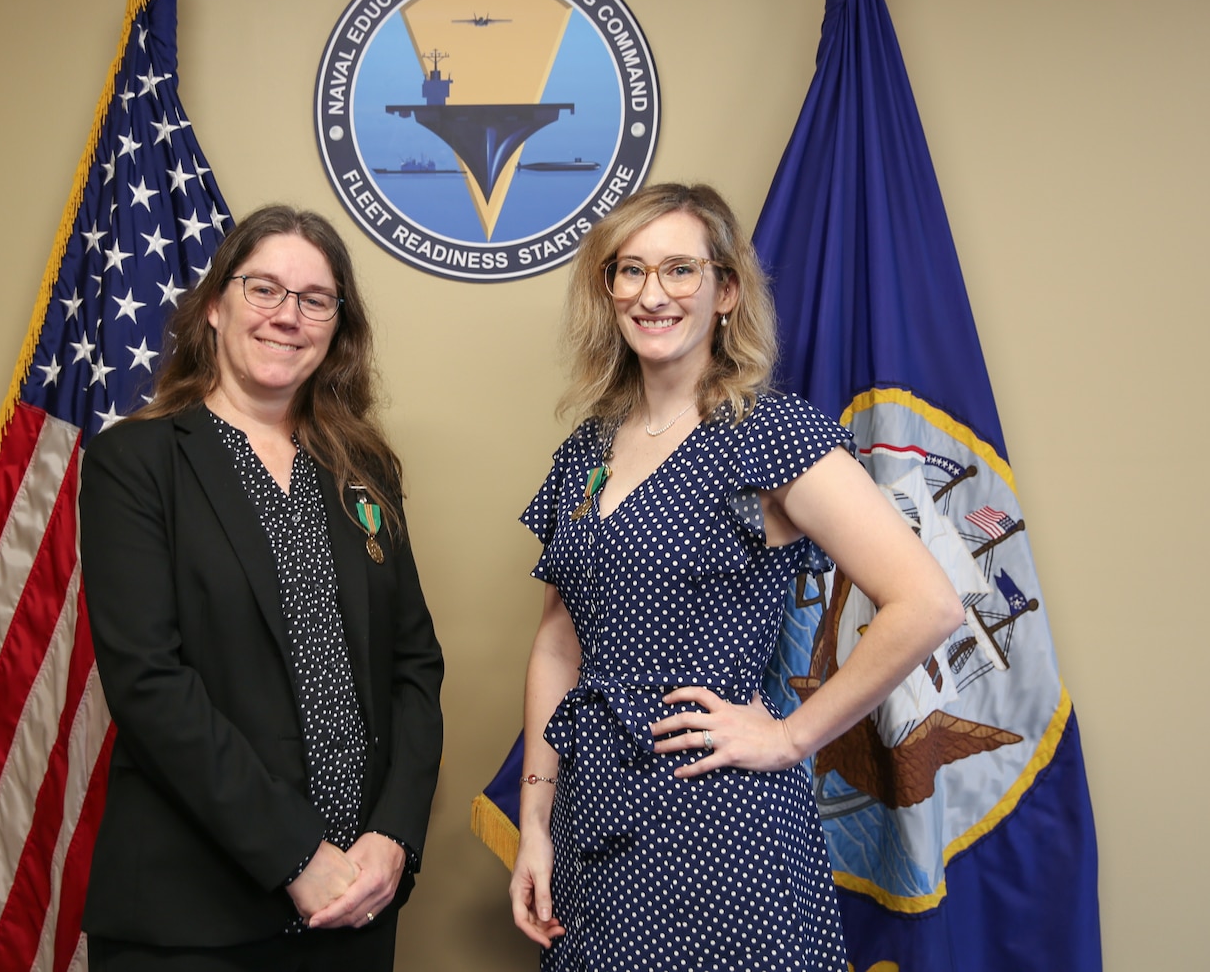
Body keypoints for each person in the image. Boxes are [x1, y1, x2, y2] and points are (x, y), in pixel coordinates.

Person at [508, 183, 963, 970]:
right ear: (607, 288)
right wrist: (537, 821)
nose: (653, 294)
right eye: (630, 271)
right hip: (597, 817)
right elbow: (558, 643)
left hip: (720, 817)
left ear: (726, 290)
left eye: (681, 270)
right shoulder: (585, 450)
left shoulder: (770, 435)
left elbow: (929, 602)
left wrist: (791, 736)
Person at [79, 205, 445, 971]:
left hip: (356, 904)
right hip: (193, 922)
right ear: (214, 305)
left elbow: (415, 666)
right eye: (264, 289)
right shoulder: (137, 462)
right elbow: (148, 682)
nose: (288, 316)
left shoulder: (362, 469)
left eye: (315, 299)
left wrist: (394, 837)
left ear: (336, 326)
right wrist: (295, 855)